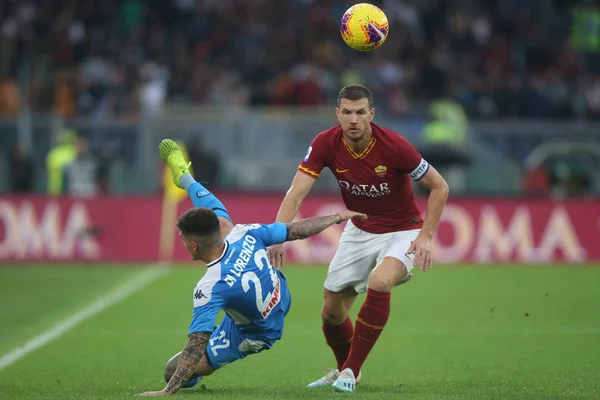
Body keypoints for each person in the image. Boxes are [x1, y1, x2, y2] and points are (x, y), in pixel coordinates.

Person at [137, 139, 366, 397]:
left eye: (183, 241)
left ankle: (186, 180)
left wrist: (168, 390)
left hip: (255, 332)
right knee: (221, 218)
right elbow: (294, 230)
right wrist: (336, 217)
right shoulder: (245, 233)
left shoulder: (209, 287)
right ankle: (186, 179)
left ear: (193, 246)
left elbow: (196, 343)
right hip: (281, 295)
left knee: (173, 369)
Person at [267, 84, 449, 392]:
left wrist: (426, 237)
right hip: (359, 229)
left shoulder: (394, 146)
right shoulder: (325, 143)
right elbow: (296, 192)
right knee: (331, 311)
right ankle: (343, 369)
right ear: (337, 114)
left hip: (402, 230)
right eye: (347, 113)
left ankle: (351, 371)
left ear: (371, 114)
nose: (354, 119)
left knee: (380, 282)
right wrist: (278, 235)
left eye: (361, 112)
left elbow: (439, 187)